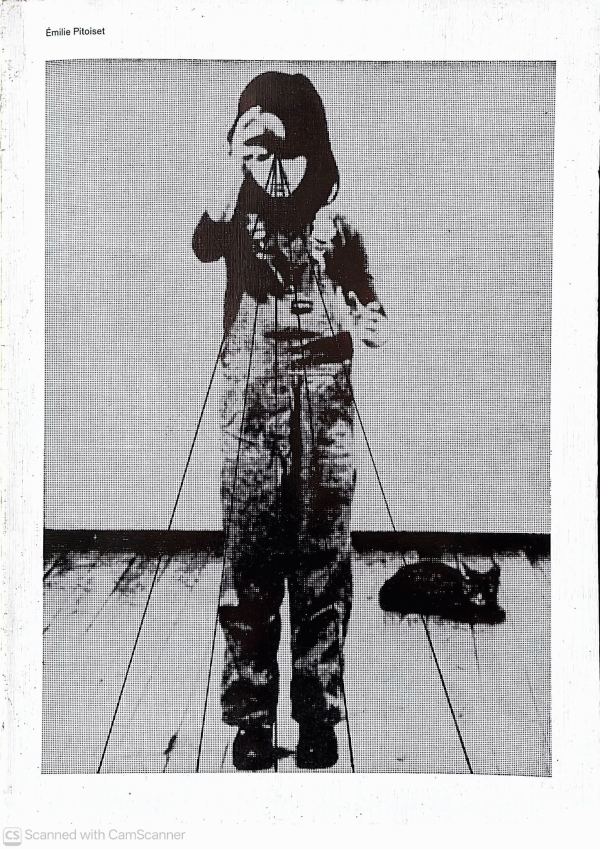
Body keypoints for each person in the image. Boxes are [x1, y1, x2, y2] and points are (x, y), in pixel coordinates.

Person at [192, 71, 387, 770]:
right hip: (250, 404)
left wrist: (359, 314)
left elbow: (373, 314)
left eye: (285, 154)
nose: (271, 172)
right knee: (249, 563)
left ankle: (317, 718)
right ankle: (249, 720)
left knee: (322, 567)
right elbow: (204, 244)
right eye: (254, 155)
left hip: (325, 406)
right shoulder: (233, 218)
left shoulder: (337, 226)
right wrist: (227, 178)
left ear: (314, 148)